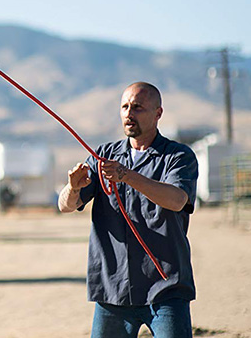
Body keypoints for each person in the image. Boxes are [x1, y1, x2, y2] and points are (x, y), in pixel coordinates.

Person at [58, 82, 198, 338]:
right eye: (125, 107)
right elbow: (65, 206)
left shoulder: (178, 157)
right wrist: (72, 188)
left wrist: (127, 176)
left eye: (138, 107)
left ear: (158, 113)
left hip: (165, 288)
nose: (129, 114)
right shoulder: (102, 156)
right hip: (114, 290)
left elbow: (177, 200)